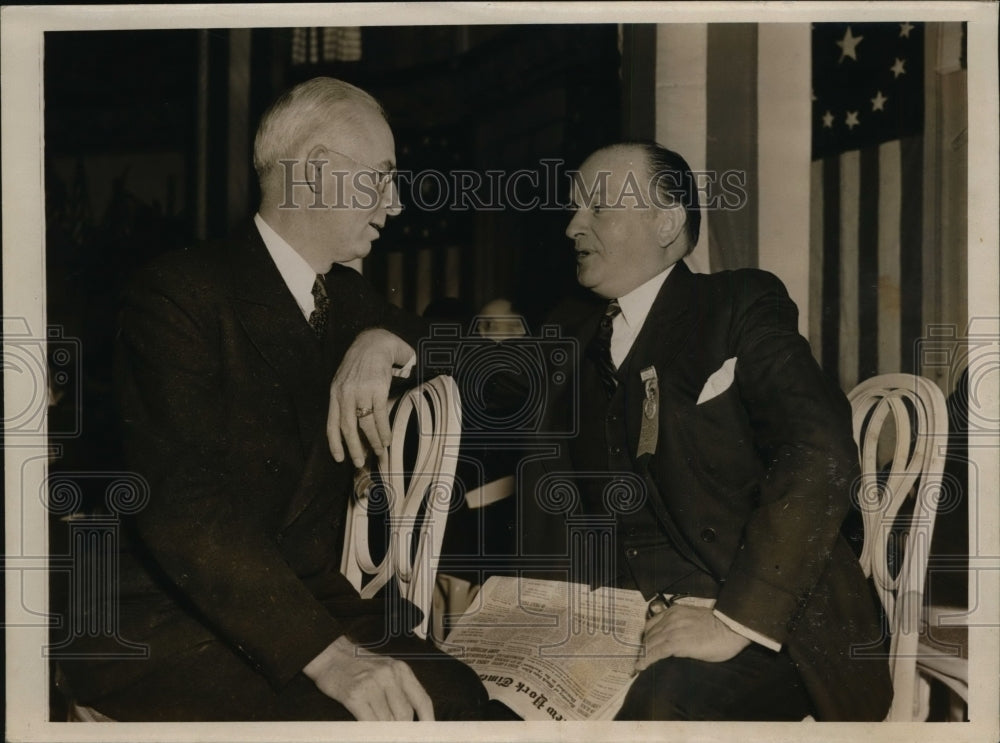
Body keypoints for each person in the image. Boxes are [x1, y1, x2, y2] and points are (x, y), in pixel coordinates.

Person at [330, 142, 893, 721]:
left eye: (598, 207)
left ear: (666, 222)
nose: (573, 225)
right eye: (574, 209)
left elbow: (818, 449)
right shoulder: (572, 326)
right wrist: (384, 338)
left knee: (658, 705)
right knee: (453, 699)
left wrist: (733, 621)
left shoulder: (740, 304)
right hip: (599, 624)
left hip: (759, 622)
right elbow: (486, 371)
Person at [57, 77, 488, 722]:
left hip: (308, 600)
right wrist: (331, 658)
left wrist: (388, 338)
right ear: (316, 173)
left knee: (468, 708)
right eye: (381, 177)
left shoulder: (348, 303)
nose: (394, 204)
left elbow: (501, 372)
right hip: (167, 621)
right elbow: (187, 515)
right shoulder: (178, 293)